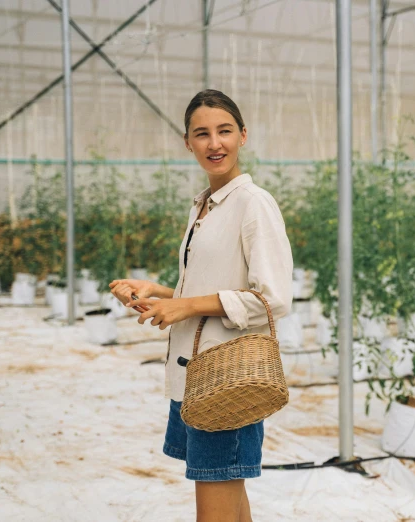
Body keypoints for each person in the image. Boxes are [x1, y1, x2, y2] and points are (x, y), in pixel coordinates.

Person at [109, 89, 293, 522]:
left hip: (228, 377)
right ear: (187, 142)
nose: (215, 143)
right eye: (202, 134)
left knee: (215, 509)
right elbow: (213, 289)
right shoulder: (205, 207)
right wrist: (158, 292)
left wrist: (187, 305)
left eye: (225, 131)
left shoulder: (253, 204)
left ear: (243, 136)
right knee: (231, 502)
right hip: (196, 376)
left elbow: (272, 298)